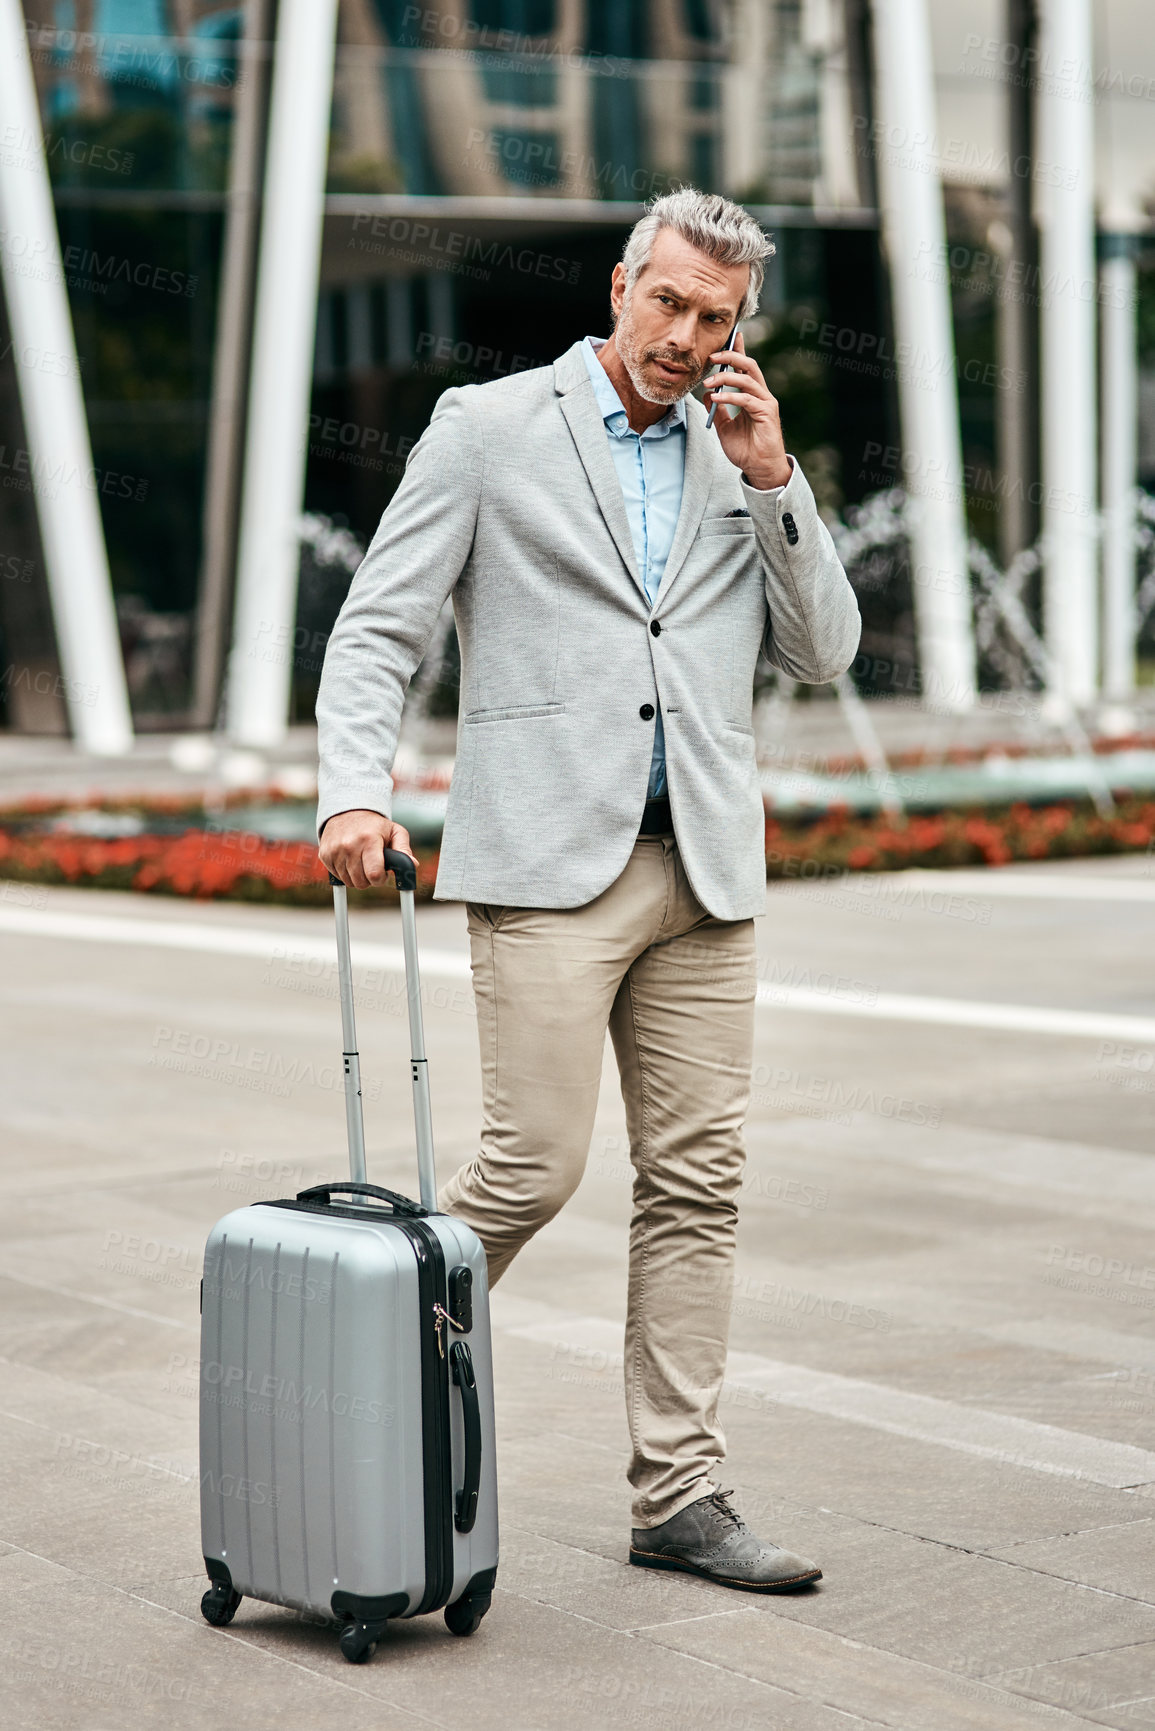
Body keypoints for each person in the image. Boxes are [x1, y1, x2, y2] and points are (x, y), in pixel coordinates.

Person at [318, 188, 860, 1593]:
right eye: (669, 301)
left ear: (742, 328)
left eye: (716, 319)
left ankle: (679, 1494)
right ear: (622, 282)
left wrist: (774, 481)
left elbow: (824, 653)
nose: (685, 336)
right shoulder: (489, 429)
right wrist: (355, 793)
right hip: (551, 866)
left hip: (707, 874)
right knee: (533, 1167)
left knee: (698, 1184)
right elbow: (378, 626)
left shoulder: (741, 451)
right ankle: (355, 1368)